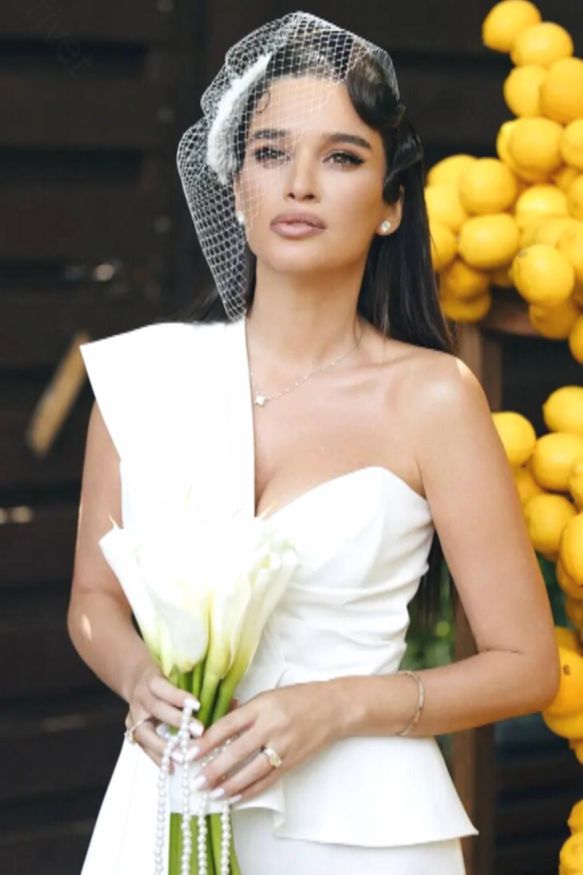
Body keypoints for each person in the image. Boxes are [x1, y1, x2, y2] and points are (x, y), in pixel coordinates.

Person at [67, 11, 561, 874]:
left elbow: (526, 666)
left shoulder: (433, 396)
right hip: (167, 804)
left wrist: (335, 706)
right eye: (269, 152)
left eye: (340, 157)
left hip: (365, 831)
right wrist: (137, 676)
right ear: (235, 189)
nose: (298, 183)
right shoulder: (141, 379)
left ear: (390, 205)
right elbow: (92, 599)